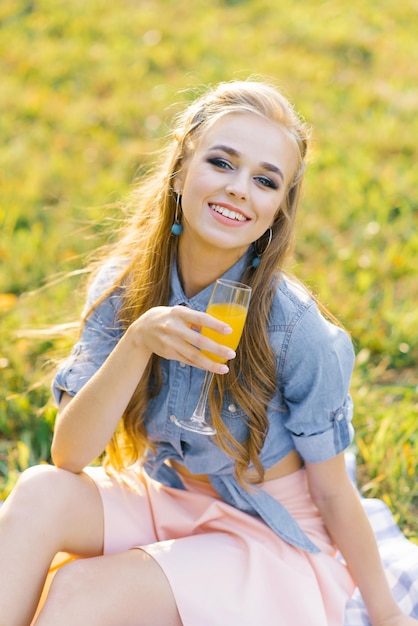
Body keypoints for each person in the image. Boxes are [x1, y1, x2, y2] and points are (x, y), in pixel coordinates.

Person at [0, 78, 416, 626]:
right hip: (170, 496)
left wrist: (386, 615)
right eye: (222, 163)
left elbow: (335, 492)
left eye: (265, 180)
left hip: (268, 531)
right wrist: (139, 340)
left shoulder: (295, 330)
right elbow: (70, 456)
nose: (240, 188)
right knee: (39, 493)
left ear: (276, 212)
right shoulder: (125, 288)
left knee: (82, 590)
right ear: (180, 171)